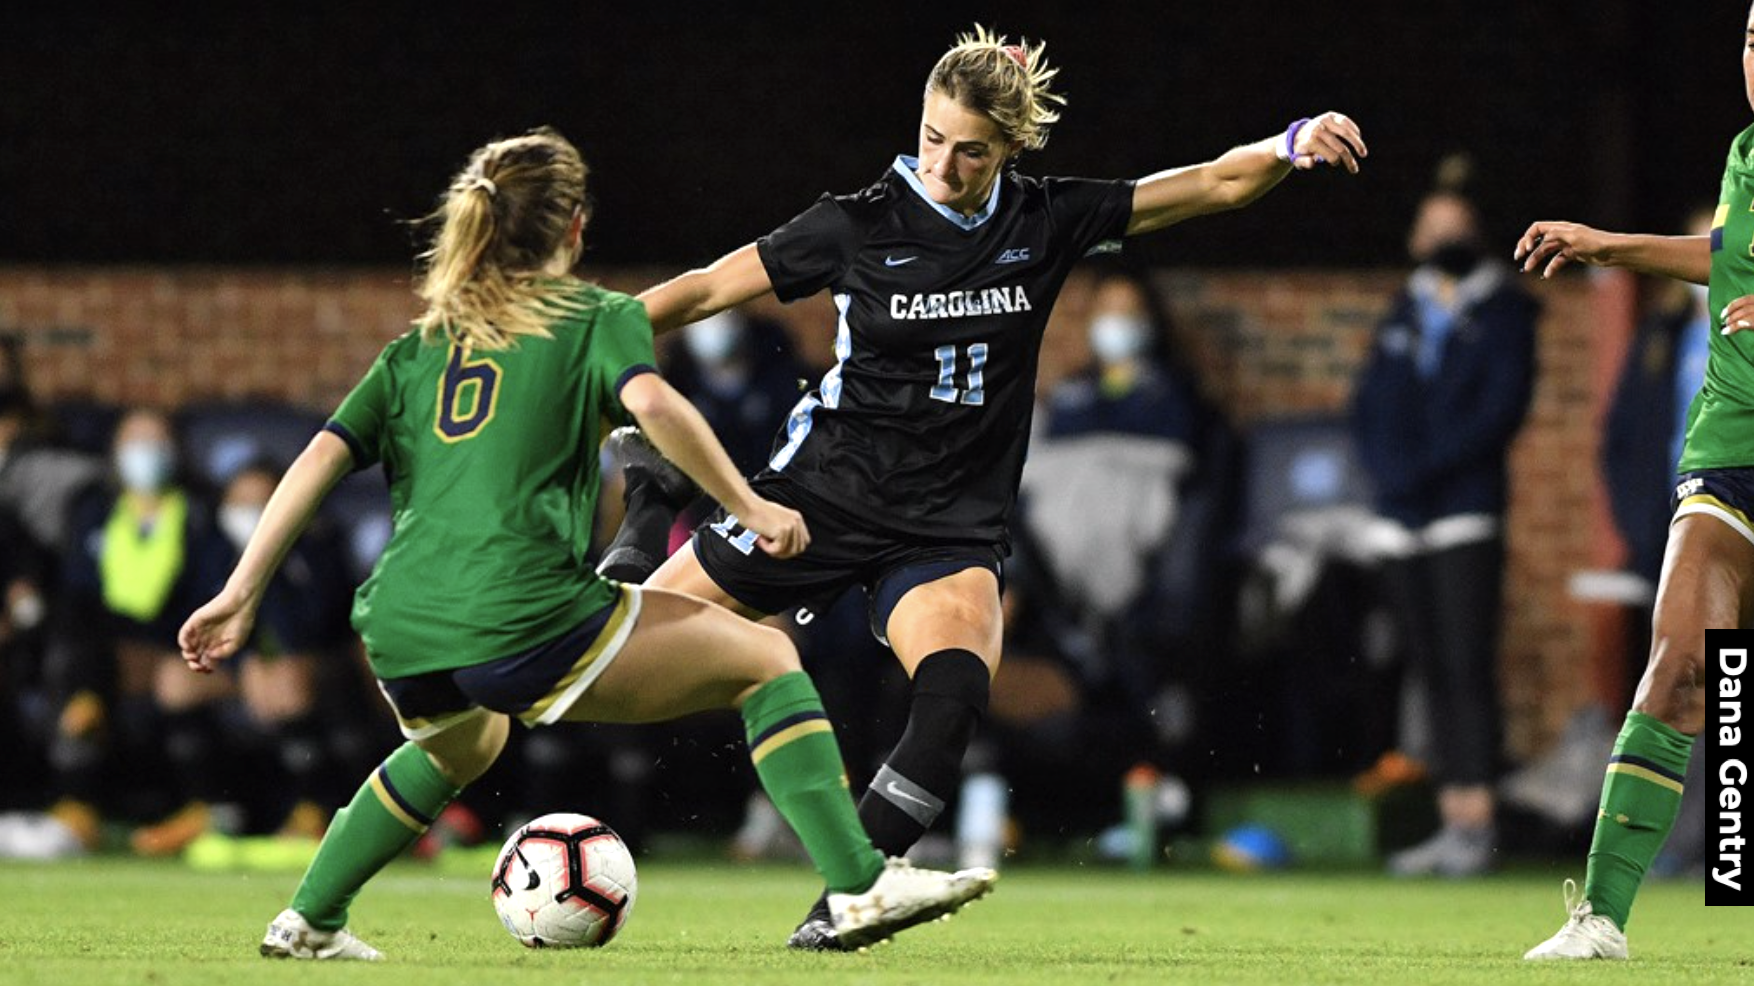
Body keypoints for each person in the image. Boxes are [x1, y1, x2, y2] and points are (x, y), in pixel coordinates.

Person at [602, 25, 1367, 949]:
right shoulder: (859, 220)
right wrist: (575, 344)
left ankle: (845, 906)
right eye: (931, 137)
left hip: (948, 525)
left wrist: (1290, 143)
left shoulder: (1043, 220)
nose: (944, 165)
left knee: (956, 691)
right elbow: (707, 288)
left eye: (970, 150)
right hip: (818, 497)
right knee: (605, 665)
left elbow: (1211, 182)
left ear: (1011, 148)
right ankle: (649, 511)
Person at [177, 127, 995, 961]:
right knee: (767, 660)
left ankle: (309, 918)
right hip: (522, 612)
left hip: (402, 626)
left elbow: (318, 458)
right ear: (575, 228)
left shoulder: (419, 347)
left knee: (464, 742)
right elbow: (659, 407)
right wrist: (750, 503)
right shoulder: (594, 319)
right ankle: (860, 885)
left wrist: (240, 591)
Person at [1514, 4, 1754, 958]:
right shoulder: (1747, 153)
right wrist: (1608, 244)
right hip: (1730, 451)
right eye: (1749, 40)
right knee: (1682, 664)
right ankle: (1602, 919)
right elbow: (1727, 261)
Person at [1350, 184, 1537, 877]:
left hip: (1463, 512)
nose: (1441, 239)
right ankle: (1448, 814)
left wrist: (1425, 470)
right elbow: (1368, 406)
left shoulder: (1504, 311)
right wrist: (1391, 478)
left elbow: (1497, 412)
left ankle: (1477, 820)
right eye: (1430, 226)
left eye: (1454, 226)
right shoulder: (1404, 308)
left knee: (1467, 667)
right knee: (1428, 671)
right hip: (1401, 517)